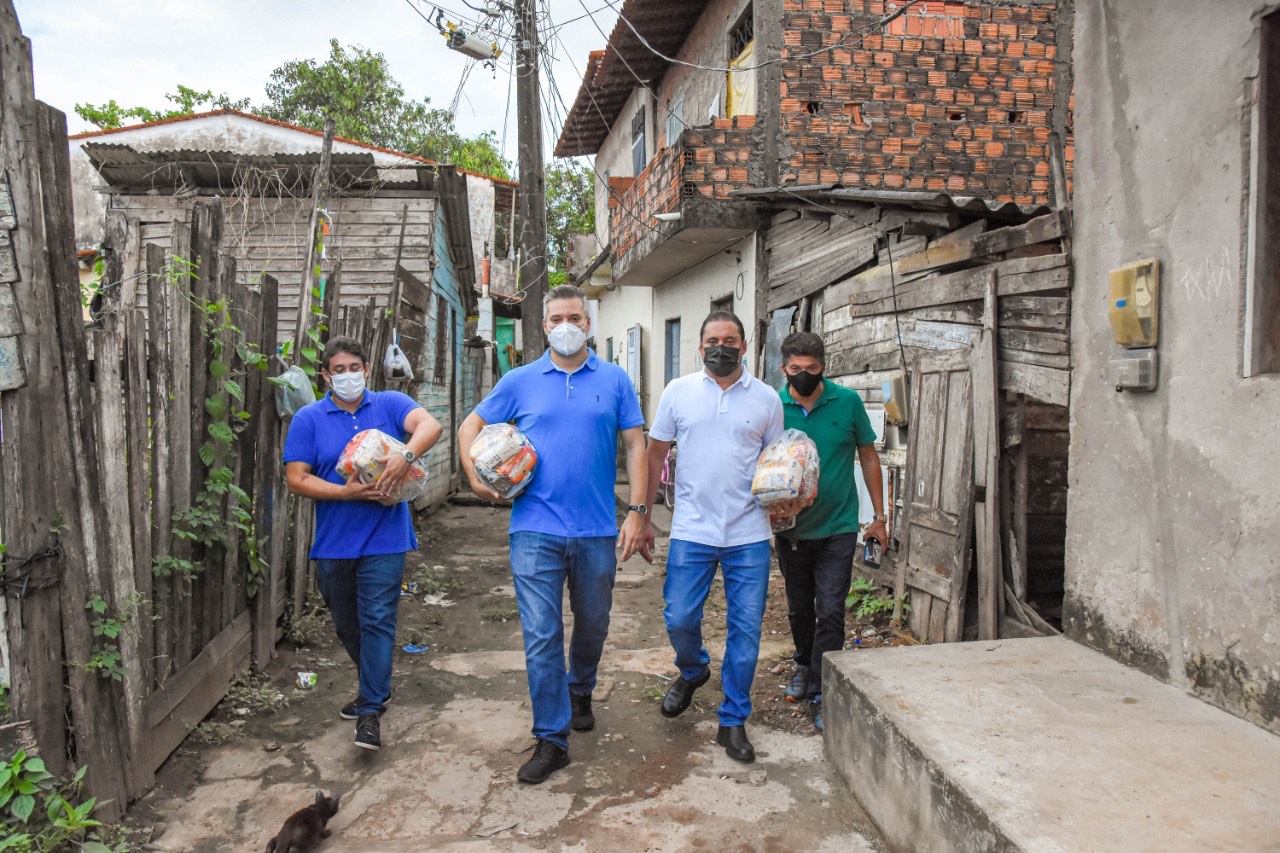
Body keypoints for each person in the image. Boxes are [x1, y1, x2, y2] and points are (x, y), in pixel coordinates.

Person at [457, 284, 648, 785]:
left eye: (576, 317)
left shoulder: (614, 380)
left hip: (596, 528)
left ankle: (580, 686)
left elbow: (635, 445)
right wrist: (475, 477)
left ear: (589, 324)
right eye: (557, 317)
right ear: (544, 326)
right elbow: (469, 427)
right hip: (533, 528)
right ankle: (552, 738)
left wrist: (639, 510)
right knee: (542, 634)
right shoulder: (520, 380)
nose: (567, 324)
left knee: (593, 623)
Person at [642, 311, 803, 763]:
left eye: (729, 339)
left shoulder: (767, 399)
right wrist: (642, 513)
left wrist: (788, 502)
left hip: (749, 534)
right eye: (712, 339)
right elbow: (655, 455)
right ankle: (692, 671)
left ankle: (732, 721)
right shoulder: (679, 392)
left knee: (745, 632)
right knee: (678, 618)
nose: (721, 346)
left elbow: (777, 462)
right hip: (692, 529)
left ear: (744, 346)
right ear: (699, 347)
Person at [283, 336, 444, 752]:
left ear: (366, 369)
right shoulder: (309, 418)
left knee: (377, 620)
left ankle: (370, 712)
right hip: (334, 542)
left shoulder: (389, 404)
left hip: (386, 538)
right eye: (338, 370)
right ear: (325, 375)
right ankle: (375, 685)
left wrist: (404, 456)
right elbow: (296, 478)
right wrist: (345, 493)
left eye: (354, 367)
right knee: (346, 624)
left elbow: (430, 426)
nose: (348, 376)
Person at [775, 332, 887, 732]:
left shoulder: (848, 402)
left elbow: (869, 458)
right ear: (783, 368)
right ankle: (804, 664)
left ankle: (823, 689)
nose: (803, 376)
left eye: (812, 369)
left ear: (825, 367)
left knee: (832, 610)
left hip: (839, 525)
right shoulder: (774, 406)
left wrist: (880, 516)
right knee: (799, 607)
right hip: (791, 528)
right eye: (795, 370)